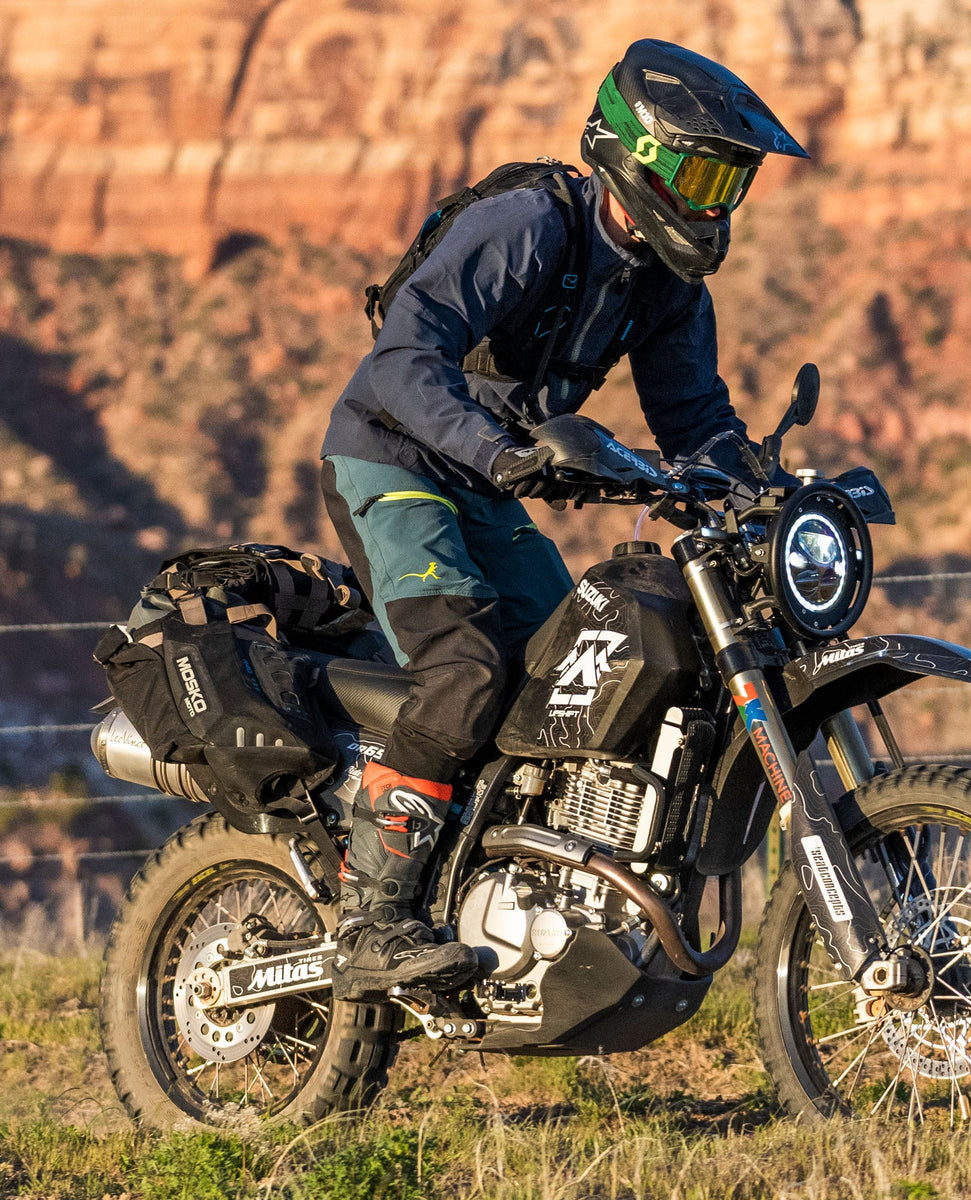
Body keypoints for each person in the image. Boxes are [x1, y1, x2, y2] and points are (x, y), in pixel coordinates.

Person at [320, 38, 809, 1000]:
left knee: (571, 682)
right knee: (467, 669)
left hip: (488, 483)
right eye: (704, 176)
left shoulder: (668, 286)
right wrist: (501, 451)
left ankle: (507, 893)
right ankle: (371, 921)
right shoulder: (529, 226)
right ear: (641, 156)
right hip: (394, 459)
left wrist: (769, 488)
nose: (717, 205)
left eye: (731, 183)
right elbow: (401, 359)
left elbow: (696, 422)